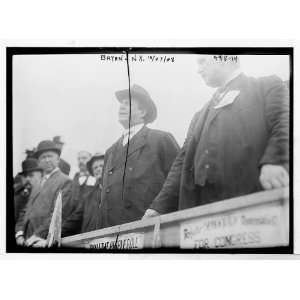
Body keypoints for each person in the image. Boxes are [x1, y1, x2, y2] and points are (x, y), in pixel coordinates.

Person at [143, 55, 289, 218]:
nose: (198, 70)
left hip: (253, 207)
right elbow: (182, 162)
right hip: (201, 214)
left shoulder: (267, 86)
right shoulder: (199, 116)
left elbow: (284, 122)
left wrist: (275, 161)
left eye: (202, 62)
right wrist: (159, 206)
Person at [98, 84, 180, 229]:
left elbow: (177, 179)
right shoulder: (110, 151)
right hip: (112, 232)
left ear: (142, 111)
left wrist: (158, 209)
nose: (121, 107)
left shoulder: (160, 140)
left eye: (128, 104)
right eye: (121, 104)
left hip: (150, 227)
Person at [15, 140, 74, 247]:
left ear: (57, 159)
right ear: (38, 162)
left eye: (50, 156)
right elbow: (25, 211)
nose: (47, 160)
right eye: (43, 157)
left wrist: (37, 235)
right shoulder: (38, 183)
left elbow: (57, 215)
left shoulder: (65, 181)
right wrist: (19, 233)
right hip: (25, 239)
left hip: (42, 240)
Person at [62, 153, 104, 235]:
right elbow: (74, 219)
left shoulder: (117, 189)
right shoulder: (89, 196)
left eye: (101, 166)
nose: (98, 169)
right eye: (95, 168)